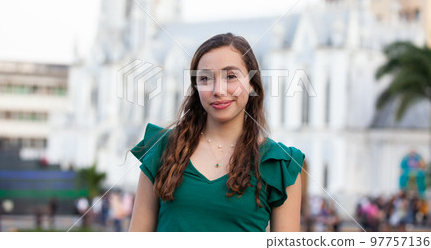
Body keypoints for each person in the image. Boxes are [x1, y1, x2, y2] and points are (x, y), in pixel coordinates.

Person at [128, 33, 305, 232]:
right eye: (205, 78)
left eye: (230, 76)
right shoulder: (162, 148)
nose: (218, 90)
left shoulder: (279, 165)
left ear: (252, 83)